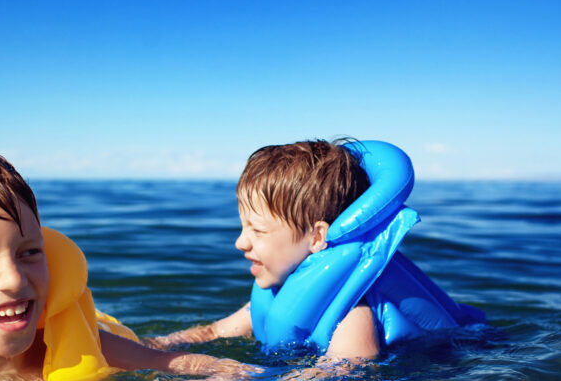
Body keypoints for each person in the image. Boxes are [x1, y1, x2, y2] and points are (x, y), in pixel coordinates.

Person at [0, 147, 248, 381]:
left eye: (29, 253)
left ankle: (232, 322)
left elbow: (186, 365)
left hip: (116, 336)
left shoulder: (92, 348)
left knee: (157, 343)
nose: (14, 280)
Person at [148, 139, 484, 361]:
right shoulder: (276, 295)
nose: (240, 241)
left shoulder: (354, 316)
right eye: (242, 227)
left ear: (317, 237)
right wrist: (155, 346)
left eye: (258, 230)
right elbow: (214, 332)